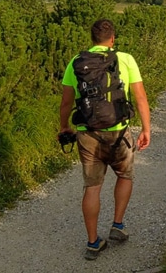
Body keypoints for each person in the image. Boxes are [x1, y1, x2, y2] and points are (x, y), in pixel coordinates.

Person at [59, 18, 151, 260]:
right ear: (113, 39)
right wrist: (146, 129)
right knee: (125, 175)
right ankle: (117, 225)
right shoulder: (126, 59)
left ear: (92, 39)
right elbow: (140, 98)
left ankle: (93, 243)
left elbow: (66, 102)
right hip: (120, 132)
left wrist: (63, 127)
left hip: (88, 134)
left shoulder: (76, 62)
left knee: (92, 187)